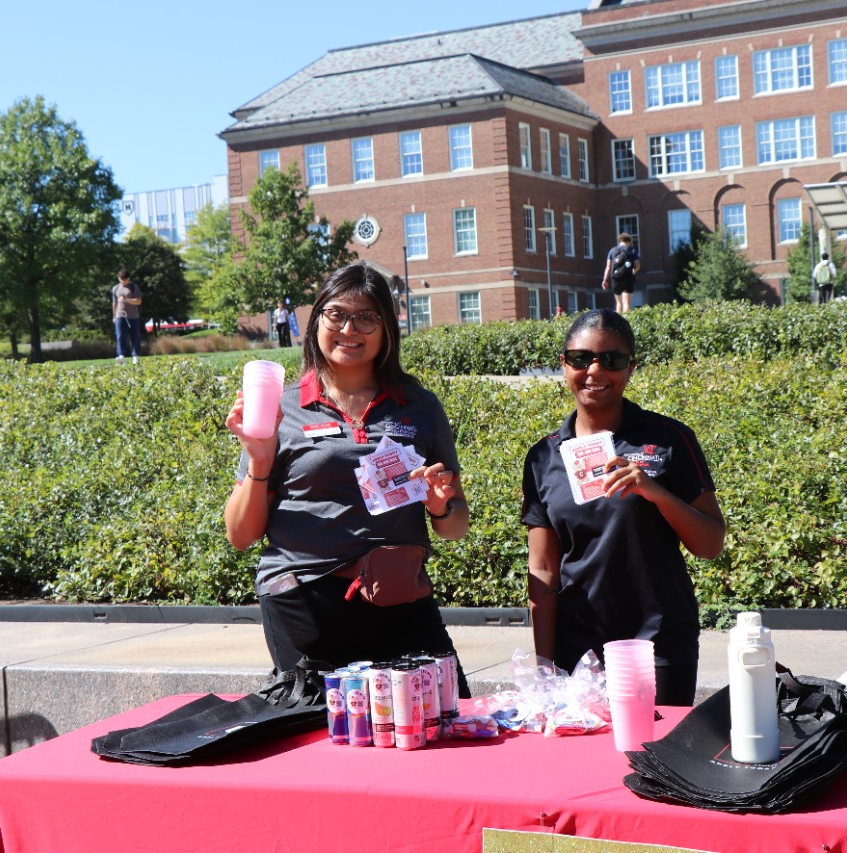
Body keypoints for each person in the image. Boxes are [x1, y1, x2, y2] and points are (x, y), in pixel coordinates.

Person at [224, 262, 472, 692]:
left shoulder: (419, 406)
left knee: (444, 714)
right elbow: (241, 535)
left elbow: (455, 527)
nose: (349, 329)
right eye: (336, 314)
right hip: (304, 599)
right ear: (317, 319)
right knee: (322, 735)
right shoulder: (284, 407)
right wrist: (260, 461)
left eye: (367, 317)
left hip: (399, 594)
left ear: (387, 328)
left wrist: (440, 504)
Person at [521, 308, 726, 706]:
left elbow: (711, 544)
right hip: (577, 651)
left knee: (655, 764)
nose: (595, 372)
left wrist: (656, 493)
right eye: (581, 359)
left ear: (630, 368)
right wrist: (545, 666)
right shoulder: (543, 456)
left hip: (657, 646)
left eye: (611, 360)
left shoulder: (668, 439)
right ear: (563, 364)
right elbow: (543, 568)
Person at [602, 233, 640, 315]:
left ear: (619, 241)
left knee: (619, 303)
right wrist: (633, 272)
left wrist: (605, 280)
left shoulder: (612, 251)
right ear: (629, 241)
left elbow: (608, 267)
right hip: (628, 277)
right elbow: (637, 265)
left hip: (616, 278)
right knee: (627, 303)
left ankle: (617, 324)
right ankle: (626, 322)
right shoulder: (632, 250)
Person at [111, 269, 143, 364]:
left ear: (128, 278)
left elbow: (138, 301)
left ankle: (135, 356)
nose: (123, 281)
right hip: (120, 316)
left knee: (135, 336)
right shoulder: (115, 288)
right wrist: (114, 316)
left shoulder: (134, 287)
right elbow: (114, 303)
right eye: (121, 279)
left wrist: (126, 300)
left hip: (133, 316)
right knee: (120, 335)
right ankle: (121, 356)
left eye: (125, 280)